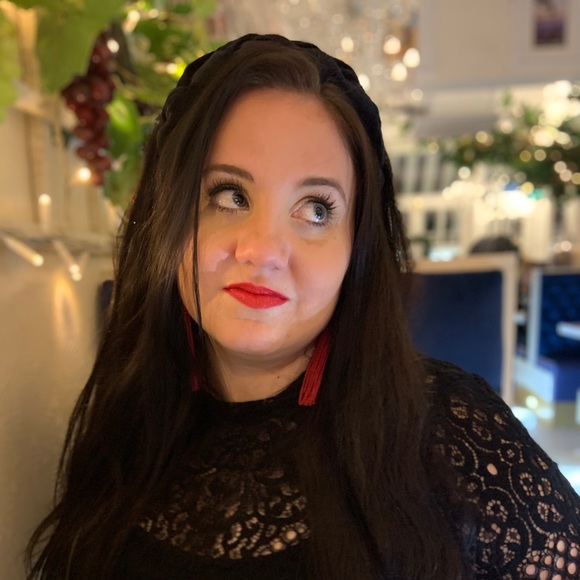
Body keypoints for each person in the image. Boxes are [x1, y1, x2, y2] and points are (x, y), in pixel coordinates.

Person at [26, 34, 579, 580]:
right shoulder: (125, 421)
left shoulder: (453, 434)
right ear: (166, 215)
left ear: (356, 250)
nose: (263, 250)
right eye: (229, 195)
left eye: (316, 209)